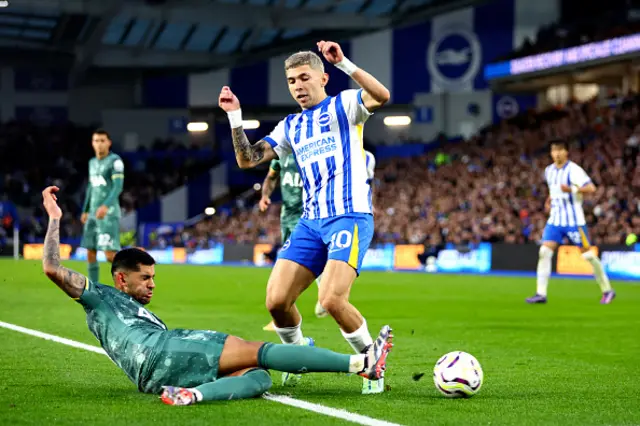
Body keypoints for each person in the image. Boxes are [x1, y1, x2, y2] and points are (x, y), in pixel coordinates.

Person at [39, 186, 393, 406]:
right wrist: (54, 218)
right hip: (159, 350)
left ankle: (193, 395)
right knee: (259, 350)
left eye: (154, 277)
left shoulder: (131, 310)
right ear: (121, 279)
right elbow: (53, 269)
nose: (152, 284)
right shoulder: (99, 296)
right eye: (144, 278)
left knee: (257, 375)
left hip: (155, 369)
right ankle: (361, 364)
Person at [218, 40, 390, 394]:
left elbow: (381, 95)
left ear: (323, 78)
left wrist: (345, 63)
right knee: (276, 302)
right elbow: (248, 159)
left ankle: (373, 364)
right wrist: (235, 116)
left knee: (330, 300)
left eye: (304, 78)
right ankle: (298, 355)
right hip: (310, 223)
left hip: (349, 216)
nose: (298, 86)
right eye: (291, 81)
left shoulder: (344, 105)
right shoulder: (290, 126)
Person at [526, 140, 615, 304]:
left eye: (560, 150)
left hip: (574, 221)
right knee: (544, 252)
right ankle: (541, 293)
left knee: (588, 255)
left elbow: (591, 188)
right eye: (554, 151)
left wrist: (573, 189)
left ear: (566, 152)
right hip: (555, 220)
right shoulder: (549, 171)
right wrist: (549, 200)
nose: (557, 154)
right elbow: (554, 189)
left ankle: (608, 290)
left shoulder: (574, 170)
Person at [259, 153, 328, 329]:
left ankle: (324, 297)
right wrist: (265, 195)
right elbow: (271, 177)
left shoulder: (313, 153)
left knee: (303, 261)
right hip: (287, 217)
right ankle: (285, 311)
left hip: (309, 215)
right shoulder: (281, 155)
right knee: (288, 262)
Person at [80, 129, 124, 284]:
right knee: (90, 251)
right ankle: (94, 288)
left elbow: (118, 187)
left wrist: (105, 206)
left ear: (109, 143)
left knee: (110, 255)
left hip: (108, 214)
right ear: (92, 143)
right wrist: (85, 209)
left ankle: (124, 287)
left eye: (102, 140)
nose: (99, 144)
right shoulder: (92, 163)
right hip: (92, 213)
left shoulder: (115, 161)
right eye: (96, 141)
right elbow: (91, 187)